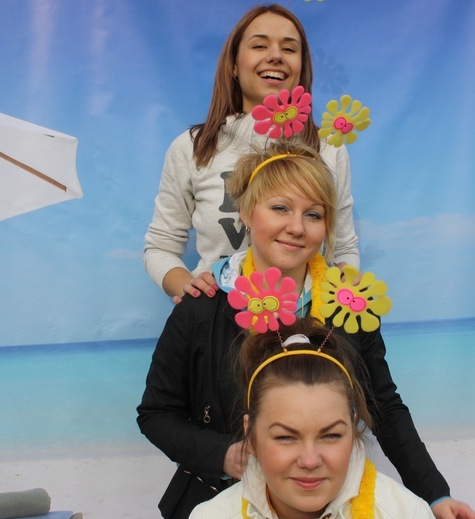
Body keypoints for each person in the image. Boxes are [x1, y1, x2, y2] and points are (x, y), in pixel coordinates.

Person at [137, 143, 475, 519]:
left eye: (313, 214)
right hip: (227, 505)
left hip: (335, 511)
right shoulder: (203, 306)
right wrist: (223, 454)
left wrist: (435, 495)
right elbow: (156, 413)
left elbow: (384, 408)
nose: (296, 227)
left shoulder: (348, 306)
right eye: (280, 208)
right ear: (246, 213)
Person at [143, 4, 360, 304]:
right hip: (217, 317)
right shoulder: (192, 148)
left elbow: (343, 248)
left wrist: (345, 289)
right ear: (233, 64)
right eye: (259, 45)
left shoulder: (328, 148)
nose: (276, 55)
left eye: (289, 49)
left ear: (301, 67)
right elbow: (160, 246)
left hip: (304, 319)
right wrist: (192, 294)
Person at [188, 318, 448, 519]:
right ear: (251, 435)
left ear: (353, 429)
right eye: (286, 437)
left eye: (331, 435)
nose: (310, 460)